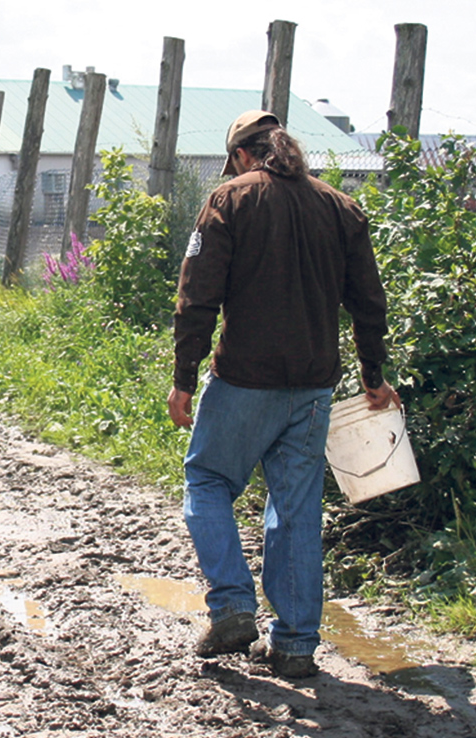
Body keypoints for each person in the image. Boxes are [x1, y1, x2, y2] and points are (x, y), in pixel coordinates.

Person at [168, 109, 399, 678]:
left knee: (208, 480)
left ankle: (232, 605)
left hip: (244, 378)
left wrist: (183, 377)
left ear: (244, 156)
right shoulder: (340, 207)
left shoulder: (230, 200)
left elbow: (197, 297)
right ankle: (295, 643)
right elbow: (369, 301)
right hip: (315, 385)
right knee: (296, 508)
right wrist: (373, 374)